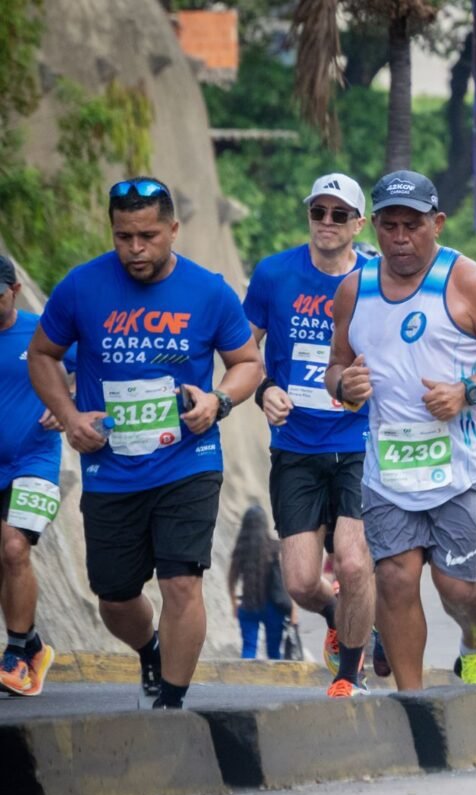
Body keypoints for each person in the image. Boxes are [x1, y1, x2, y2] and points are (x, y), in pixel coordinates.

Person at [27, 177, 261, 708]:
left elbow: (248, 364)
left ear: (173, 230)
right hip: (111, 467)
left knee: (182, 582)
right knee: (114, 598)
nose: (136, 248)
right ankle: (150, 647)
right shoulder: (81, 288)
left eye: (149, 235)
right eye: (123, 236)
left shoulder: (209, 291)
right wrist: (69, 416)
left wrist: (217, 402)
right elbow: (43, 354)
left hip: (188, 461)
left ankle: (171, 705)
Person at [324, 169, 476, 688]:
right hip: (389, 471)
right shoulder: (354, 291)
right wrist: (344, 385)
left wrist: (467, 391)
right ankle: (413, 705)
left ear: (437, 224)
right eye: (390, 226)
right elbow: (336, 368)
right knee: (395, 581)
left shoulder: (467, 281)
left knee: (457, 588)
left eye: (413, 226)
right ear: (373, 226)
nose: (400, 238)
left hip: (460, 471)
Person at [243, 173, 375, 697]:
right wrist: (264, 390)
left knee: (353, 557)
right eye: (318, 211)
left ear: (357, 224)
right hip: (296, 445)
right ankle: (344, 618)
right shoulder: (275, 274)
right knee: (299, 582)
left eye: (339, 214)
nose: (326, 222)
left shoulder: (376, 279)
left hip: (362, 442)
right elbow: (242, 349)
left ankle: (351, 673)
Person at [0, 256, 74, 696]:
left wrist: (66, 400)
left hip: (37, 462)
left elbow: (91, 368)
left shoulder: (41, 331)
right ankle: (35, 646)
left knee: (14, 547)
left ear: (15, 291)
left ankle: (16, 655)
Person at [227, 506, 288, 660]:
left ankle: (245, 682)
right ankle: (276, 683)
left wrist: (235, 604)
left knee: (248, 648)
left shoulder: (241, 550)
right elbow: (284, 580)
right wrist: (292, 609)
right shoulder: (275, 548)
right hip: (274, 607)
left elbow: (231, 579)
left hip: (248, 605)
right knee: (274, 651)